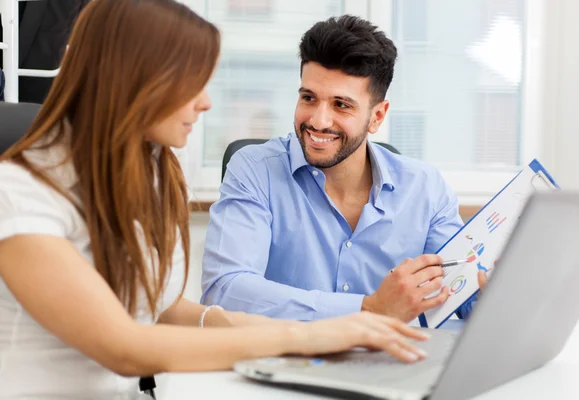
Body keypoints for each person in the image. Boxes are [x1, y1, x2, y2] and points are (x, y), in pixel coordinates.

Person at [0, 1, 430, 399]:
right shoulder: (18, 194)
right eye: (192, 84)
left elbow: (163, 308)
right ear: (132, 81)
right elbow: (125, 349)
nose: (205, 103)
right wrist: (316, 334)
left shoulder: (147, 174)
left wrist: (300, 333)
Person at [201, 15, 487, 323]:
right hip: (284, 361)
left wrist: (495, 288)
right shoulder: (254, 170)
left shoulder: (425, 188)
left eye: (341, 105)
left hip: (389, 363)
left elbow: (463, 295)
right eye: (308, 98)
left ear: (377, 116)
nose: (318, 121)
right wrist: (366, 309)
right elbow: (224, 290)